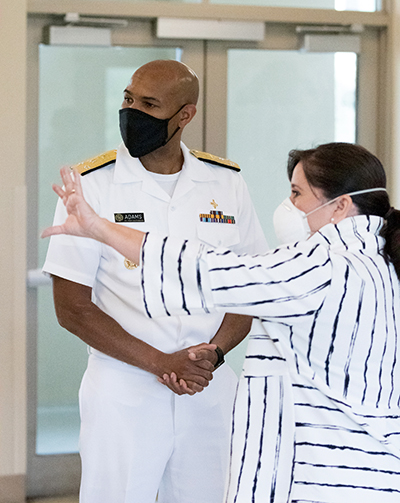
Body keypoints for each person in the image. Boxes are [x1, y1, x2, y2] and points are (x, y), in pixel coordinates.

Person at [43, 142, 400, 503]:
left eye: (297, 193)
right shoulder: (382, 262)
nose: (289, 206)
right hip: (364, 469)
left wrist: (99, 228)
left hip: (327, 475)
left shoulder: (323, 266)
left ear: (340, 205)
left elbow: (208, 269)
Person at [42, 59, 268, 503]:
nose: (133, 112)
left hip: (208, 387)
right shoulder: (91, 186)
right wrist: (163, 362)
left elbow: (250, 286)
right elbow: (72, 308)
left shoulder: (224, 182)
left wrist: (212, 353)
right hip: (124, 388)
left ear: (185, 115)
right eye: (128, 99)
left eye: (149, 104)